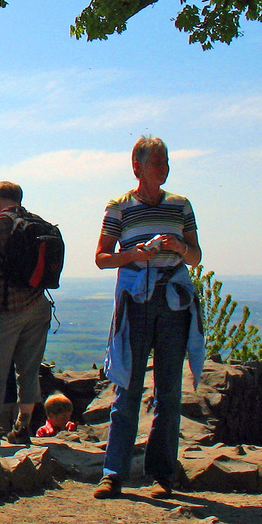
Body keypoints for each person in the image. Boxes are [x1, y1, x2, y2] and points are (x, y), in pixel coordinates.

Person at [93, 135, 204, 500]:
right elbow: (102, 257)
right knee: (128, 383)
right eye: (157, 162)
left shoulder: (181, 206)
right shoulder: (119, 207)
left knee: (169, 390)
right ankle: (113, 472)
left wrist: (179, 247)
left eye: (167, 162)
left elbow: (195, 257)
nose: (164, 168)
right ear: (137, 166)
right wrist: (133, 256)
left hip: (172, 300)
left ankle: (161, 473)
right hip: (136, 300)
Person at [0, 181, 56, 445]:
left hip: (7, 308)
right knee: (29, 370)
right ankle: (23, 428)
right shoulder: (39, 222)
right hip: (40, 305)